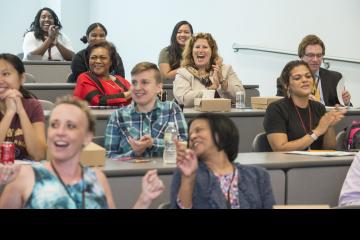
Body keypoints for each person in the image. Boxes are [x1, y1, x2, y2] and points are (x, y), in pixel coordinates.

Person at [0, 95, 165, 209]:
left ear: (87, 137)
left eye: (71, 126)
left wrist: (144, 199)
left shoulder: (97, 179)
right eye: (54, 125)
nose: (60, 132)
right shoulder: (25, 178)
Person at [170, 113, 275, 209]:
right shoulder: (185, 174)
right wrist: (188, 178)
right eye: (190, 134)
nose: (192, 137)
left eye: (198, 130)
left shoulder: (258, 176)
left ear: (220, 133)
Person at [105, 62, 188, 158]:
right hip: (130, 172)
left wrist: (153, 143)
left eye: (144, 82)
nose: (137, 87)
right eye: (134, 82)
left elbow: (183, 144)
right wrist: (135, 153)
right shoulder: (118, 116)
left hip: (165, 172)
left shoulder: (171, 109)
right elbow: (109, 156)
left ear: (158, 87)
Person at [264, 60, 346, 152]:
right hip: (289, 164)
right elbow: (280, 149)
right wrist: (317, 131)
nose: (304, 80)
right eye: (297, 78)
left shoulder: (319, 107)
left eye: (308, 76)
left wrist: (329, 125)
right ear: (287, 85)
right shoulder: (276, 109)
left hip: (317, 164)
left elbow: (330, 148)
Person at [276, 34, 351, 106]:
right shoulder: (287, 79)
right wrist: (299, 101)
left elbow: (345, 109)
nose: (315, 60)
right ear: (301, 56)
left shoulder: (335, 78)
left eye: (319, 55)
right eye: (311, 55)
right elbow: (281, 106)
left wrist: (346, 102)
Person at [173, 32, 244, 108]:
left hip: (224, 116)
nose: (200, 50)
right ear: (191, 52)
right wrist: (210, 90)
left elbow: (240, 96)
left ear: (212, 52)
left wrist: (223, 82)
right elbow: (184, 99)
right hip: (196, 117)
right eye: (197, 47)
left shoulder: (225, 69)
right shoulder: (183, 73)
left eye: (205, 47)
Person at [0, 53, 46, 161]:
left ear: (22, 78)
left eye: (5, 74)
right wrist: (10, 113)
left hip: (25, 172)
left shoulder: (33, 106)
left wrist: (21, 111)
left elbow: (38, 155)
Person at [73, 41, 131, 107]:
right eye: (93, 57)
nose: (97, 61)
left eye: (103, 57)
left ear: (111, 61)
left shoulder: (121, 80)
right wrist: (128, 94)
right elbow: (98, 101)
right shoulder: (84, 78)